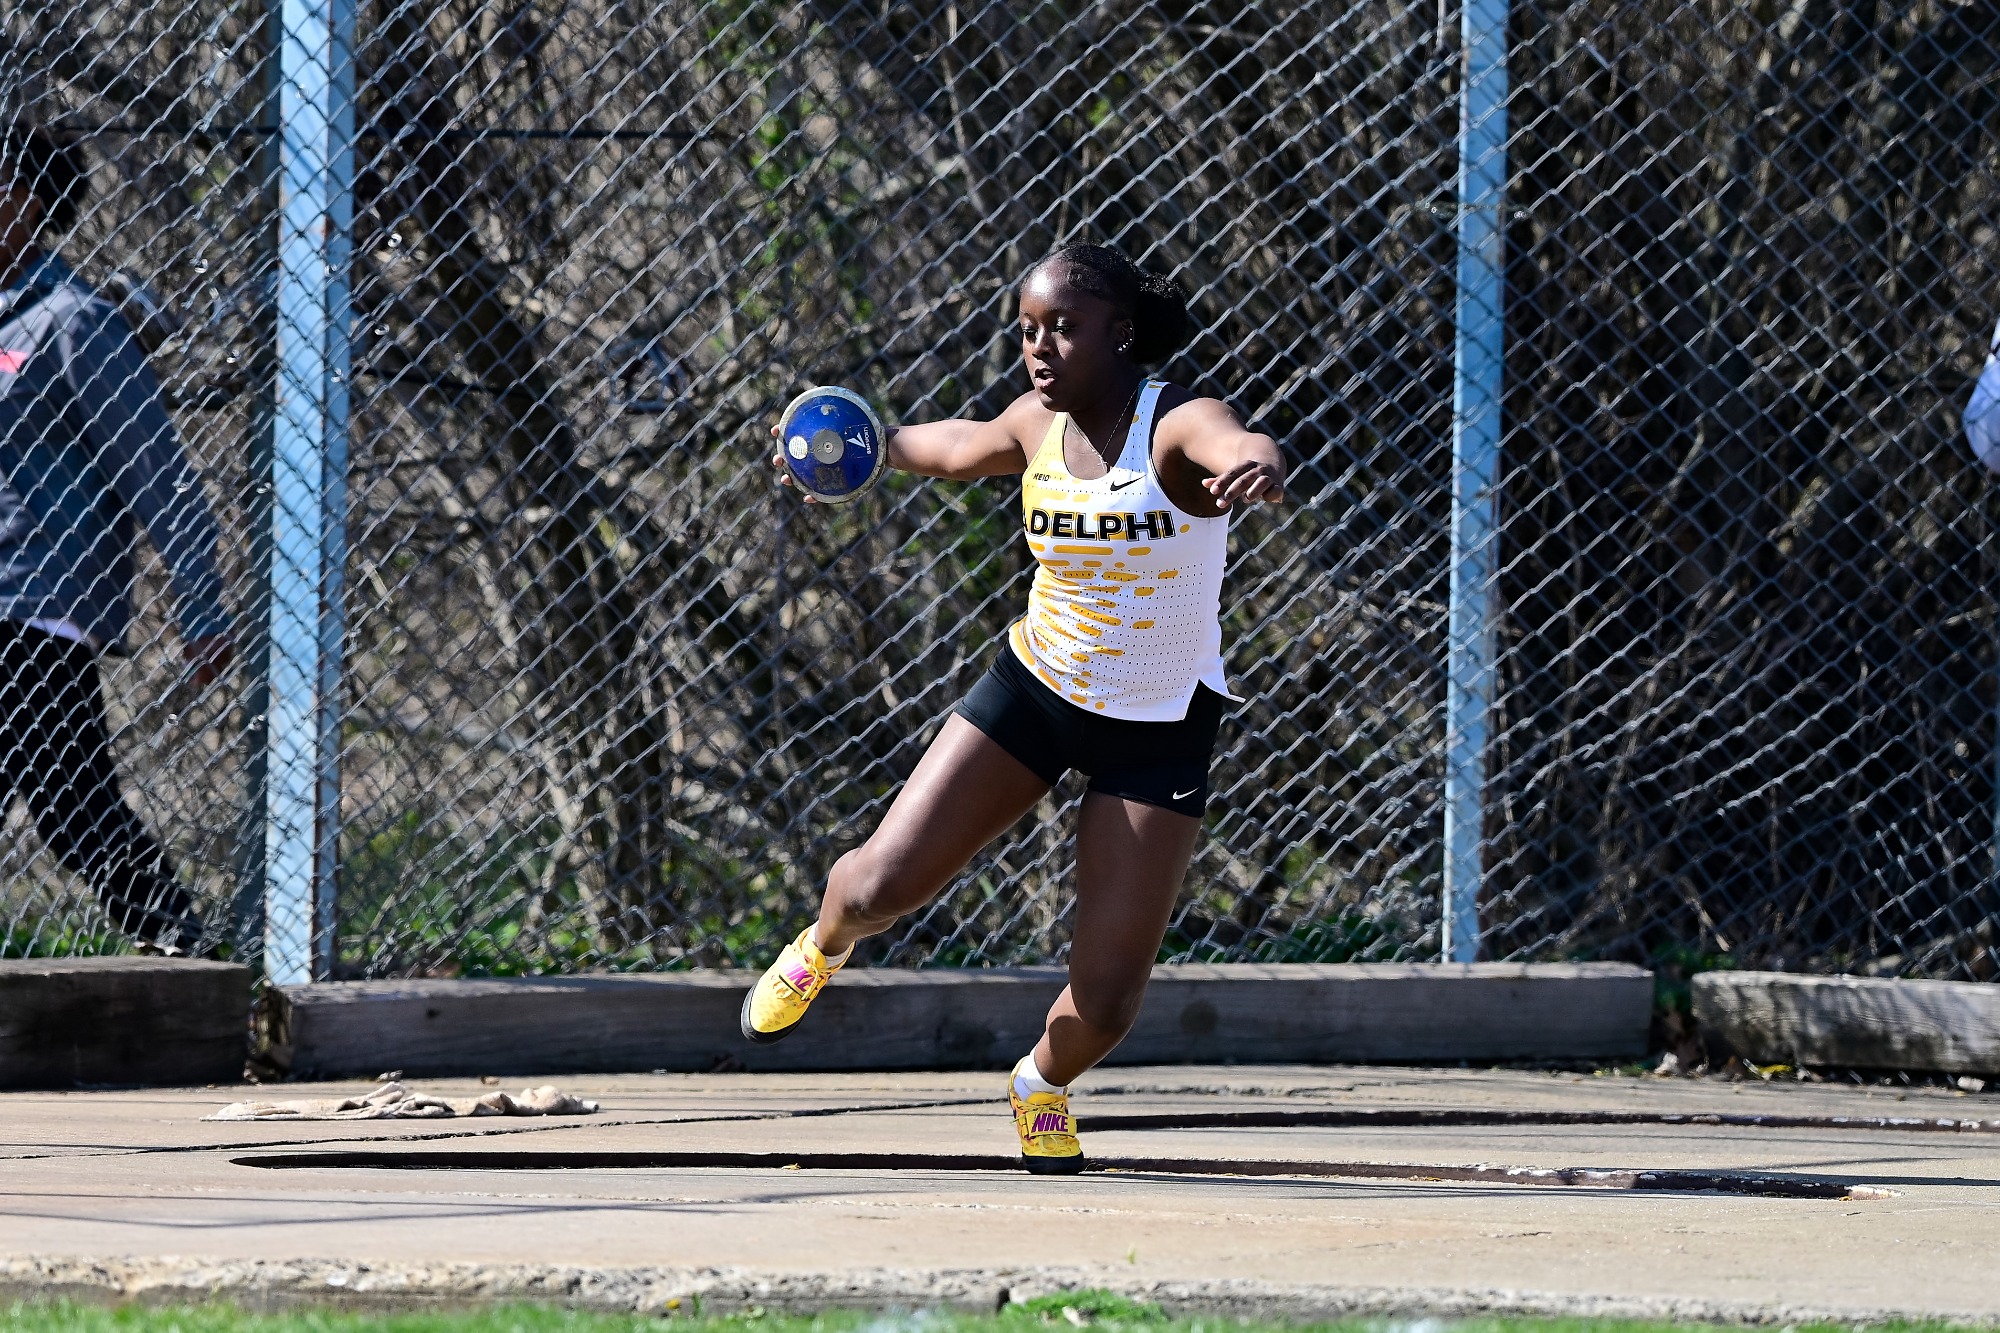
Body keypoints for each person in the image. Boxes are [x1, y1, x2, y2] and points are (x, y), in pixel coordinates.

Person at [743, 241, 1285, 1172]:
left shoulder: (1173, 425)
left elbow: (1231, 439)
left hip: (1157, 728)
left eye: (1062, 330)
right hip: (1038, 691)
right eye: (1027, 331)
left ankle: (1039, 1081)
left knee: (1108, 1001)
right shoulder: (1037, 424)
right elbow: (950, 448)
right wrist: (850, 451)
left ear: (1121, 334)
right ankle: (821, 946)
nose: (1038, 349)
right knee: (877, 889)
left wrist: (1256, 462)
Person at [0, 125, 234, 954]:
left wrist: (200, 604)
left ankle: (191, 959)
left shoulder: (74, 324)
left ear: (20, 205)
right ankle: (185, 947)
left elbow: (159, 472)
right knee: (75, 803)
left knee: (74, 805)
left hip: (36, 599)